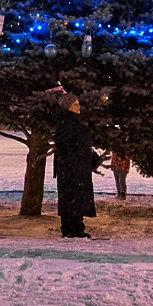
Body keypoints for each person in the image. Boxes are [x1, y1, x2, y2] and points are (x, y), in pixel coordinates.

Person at [52, 88, 97, 238]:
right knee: (72, 199)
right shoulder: (66, 123)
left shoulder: (73, 121)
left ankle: (77, 227)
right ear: (68, 106)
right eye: (76, 104)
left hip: (77, 167)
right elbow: (65, 147)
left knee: (77, 198)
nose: (79, 107)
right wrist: (75, 163)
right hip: (71, 169)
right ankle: (70, 229)